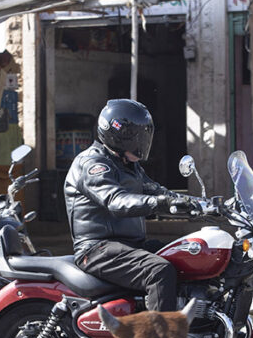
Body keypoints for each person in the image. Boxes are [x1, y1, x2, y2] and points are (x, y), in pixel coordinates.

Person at [64, 99, 195, 314]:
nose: (143, 142)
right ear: (120, 136)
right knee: (159, 270)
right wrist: (158, 203)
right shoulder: (92, 164)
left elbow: (157, 190)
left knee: (186, 253)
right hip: (97, 249)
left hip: (129, 246)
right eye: (137, 136)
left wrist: (202, 205)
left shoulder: (129, 166)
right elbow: (116, 201)